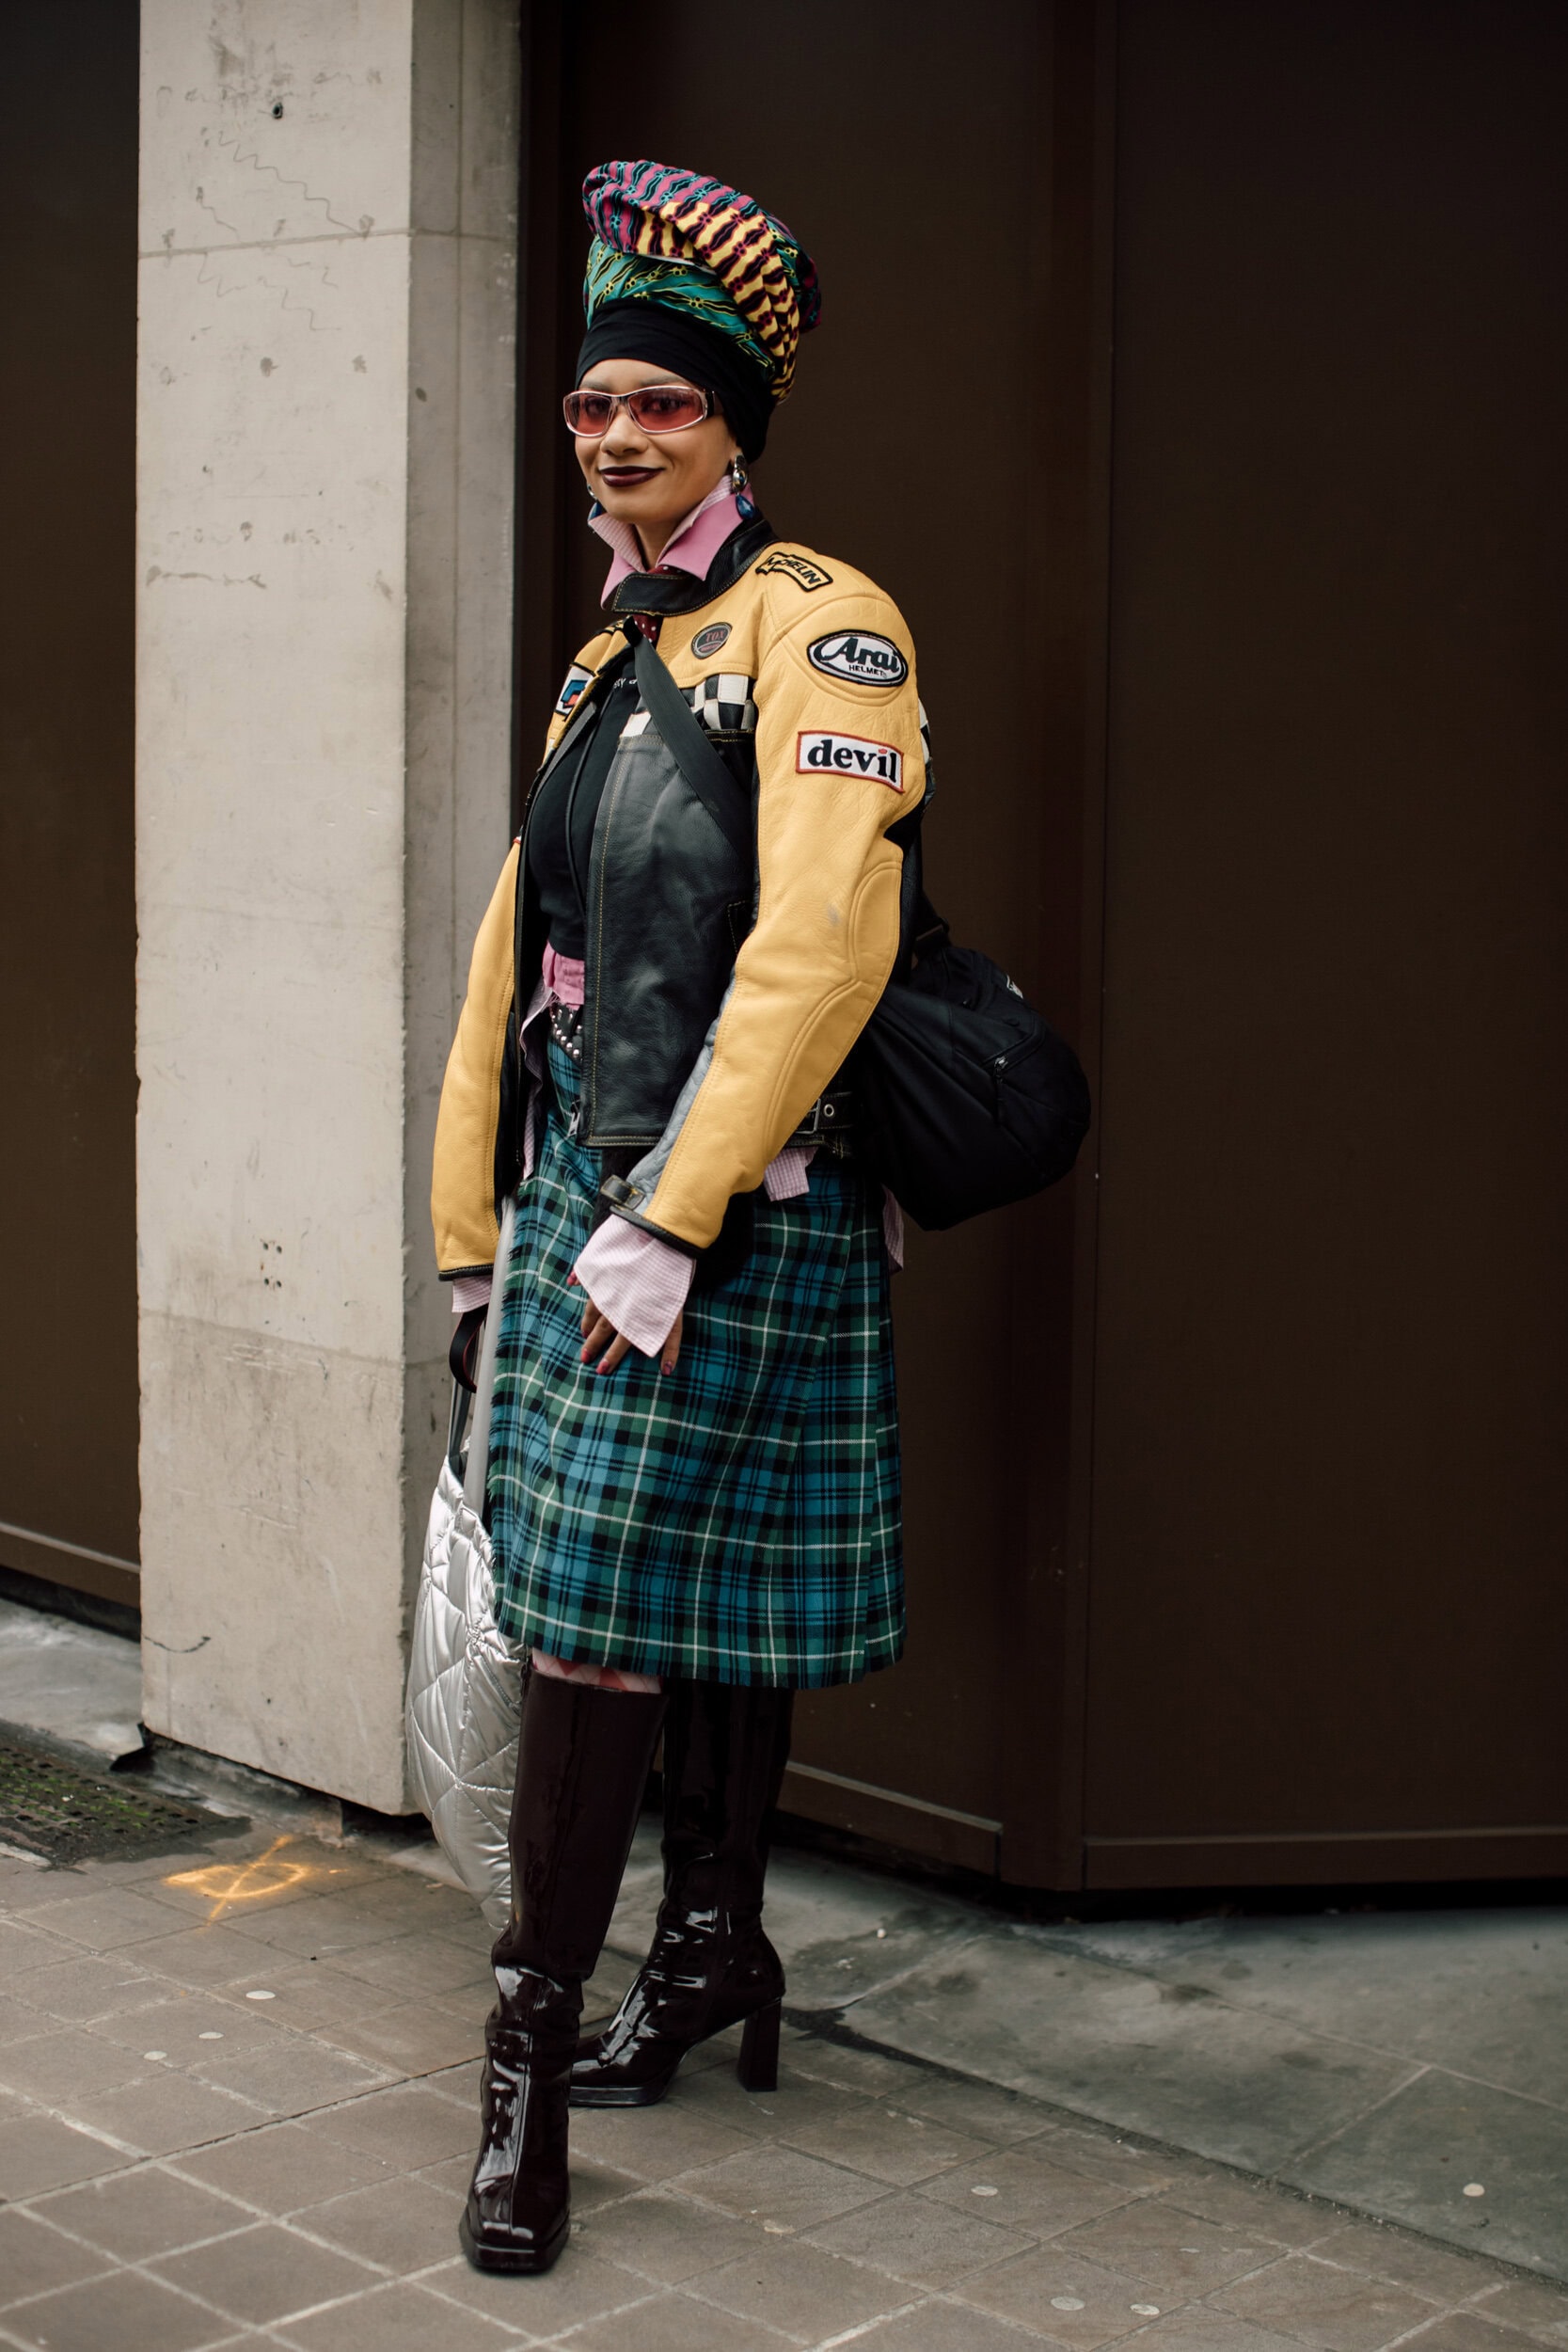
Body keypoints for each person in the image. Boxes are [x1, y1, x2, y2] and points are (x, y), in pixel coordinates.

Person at [430, 158, 928, 2276]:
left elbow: (821, 948)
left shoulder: (826, 628)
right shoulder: (600, 658)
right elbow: (513, 954)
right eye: (593, 404)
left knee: (613, 1627)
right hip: (585, 1196)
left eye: (663, 402)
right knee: (637, 1605)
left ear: (733, 425)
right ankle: (713, 1946)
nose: (620, 433)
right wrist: (477, 1227)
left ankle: (528, 2062)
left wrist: (669, 1215)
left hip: (735, 1210)